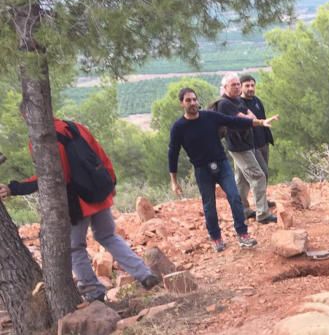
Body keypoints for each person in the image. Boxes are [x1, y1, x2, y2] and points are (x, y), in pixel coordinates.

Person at [1, 114, 159, 303]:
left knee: (75, 248)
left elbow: (49, 177)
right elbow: (100, 155)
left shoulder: (40, 140)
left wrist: (14, 188)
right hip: (98, 193)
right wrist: (110, 183)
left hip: (76, 202)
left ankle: (94, 293)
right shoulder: (75, 127)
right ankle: (144, 274)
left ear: (26, 116)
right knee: (108, 236)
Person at [168, 87, 277, 251]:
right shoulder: (179, 127)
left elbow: (233, 121)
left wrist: (260, 122)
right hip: (202, 169)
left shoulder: (209, 116)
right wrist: (174, 181)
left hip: (221, 164)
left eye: (194, 99)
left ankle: (243, 234)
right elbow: (173, 153)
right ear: (181, 104)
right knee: (209, 205)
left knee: (234, 197)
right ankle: (216, 238)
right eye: (188, 100)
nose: (192, 103)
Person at [215, 73, 276, 224]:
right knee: (258, 176)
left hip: (247, 143)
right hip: (238, 146)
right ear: (225, 88)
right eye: (233, 85)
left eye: (237, 84)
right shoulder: (224, 104)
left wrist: (257, 121)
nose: (236, 87)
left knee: (242, 180)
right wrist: (257, 121)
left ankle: (243, 209)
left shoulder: (237, 100)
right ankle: (263, 214)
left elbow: (250, 115)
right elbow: (244, 119)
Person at [239, 74, 275, 182]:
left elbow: (263, 119)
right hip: (251, 145)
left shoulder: (257, 101)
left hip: (263, 143)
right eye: (247, 86)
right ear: (241, 87)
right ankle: (259, 199)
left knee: (261, 175)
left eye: (252, 85)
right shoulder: (239, 104)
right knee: (262, 174)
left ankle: (262, 198)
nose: (250, 88)